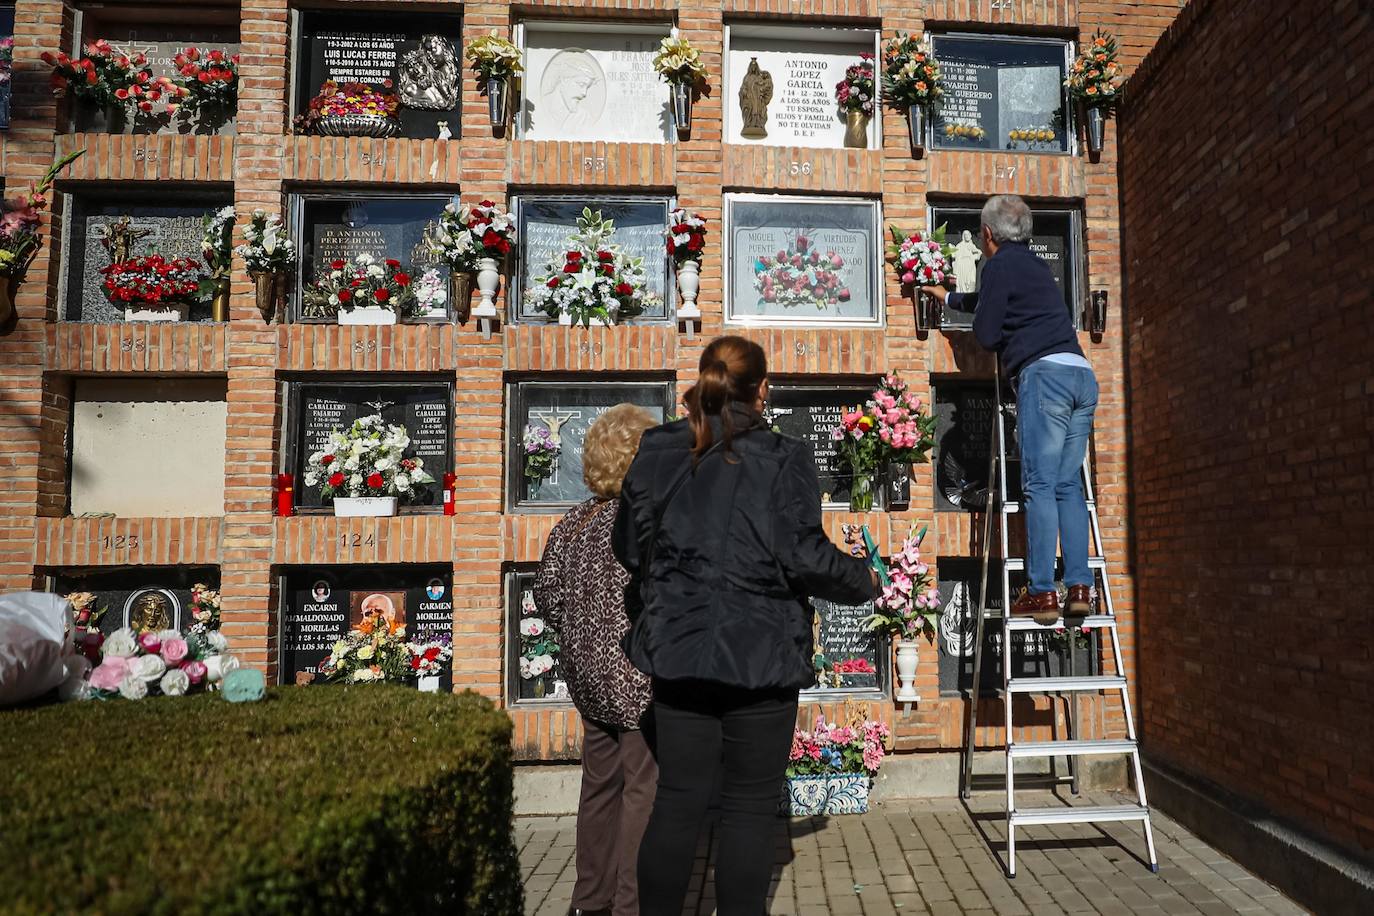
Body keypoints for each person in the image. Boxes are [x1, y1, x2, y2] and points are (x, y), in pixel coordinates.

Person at [613, 336, 877, 916]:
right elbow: (803, 554)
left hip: (678, 653)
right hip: (759, 658)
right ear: (763, 389)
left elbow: (630, 549)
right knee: (749, 808)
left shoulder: (656, 450)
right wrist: (863, 580)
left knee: (677, 803)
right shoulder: (783, 457)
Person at [922, 194, 1098, 624]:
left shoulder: (998, 264)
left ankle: (1041, 593)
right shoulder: (1034, 266)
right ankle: (1079, 586)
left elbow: (985, 332)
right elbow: (990, 301)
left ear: (986, 235)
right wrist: (949, 297)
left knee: (1038, 485)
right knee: (1067, 486)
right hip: (1080, 375)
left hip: (1045, 380)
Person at [533, 403, 660, 916]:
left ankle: (590, 899)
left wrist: (577, 636)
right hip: (638, 678)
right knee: (642, 787)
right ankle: (632, 903)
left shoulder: (573, 522)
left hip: (587, 678)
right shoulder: (648, 524)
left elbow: (546, 594)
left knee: (599, 785)